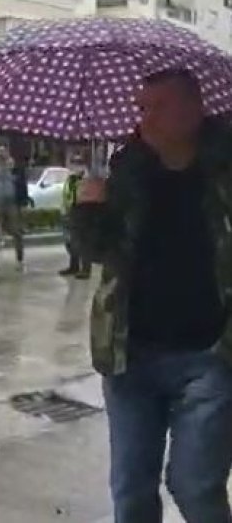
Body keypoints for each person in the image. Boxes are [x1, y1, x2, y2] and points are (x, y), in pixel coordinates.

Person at [77, 69, 232, 523]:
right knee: (130, 491)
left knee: (194, 485)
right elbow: (97, 254)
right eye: (141, 107)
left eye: (158, 106)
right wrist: (89, 210)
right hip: (131, 356)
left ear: (193, 109)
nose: (145, 118)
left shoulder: (223, 172)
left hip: (209, 357)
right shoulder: (128, 172)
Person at [0, 145, 28, 269]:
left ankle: (20, 258)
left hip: (12, 202)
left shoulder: (14, 167)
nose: (0, 156)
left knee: (16, 231)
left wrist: (23, 203)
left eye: (2, 153)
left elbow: (21, 184)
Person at [59, 154, 91, 279]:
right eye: (73, 163)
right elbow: (67, 194)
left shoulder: (85, 178)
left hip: (82, 211)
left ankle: (85, 269)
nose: (73, 166)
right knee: (72, 241)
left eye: (77, 163)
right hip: (70, 211)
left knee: (83, 241)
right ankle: (74, 265)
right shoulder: (71, 178)